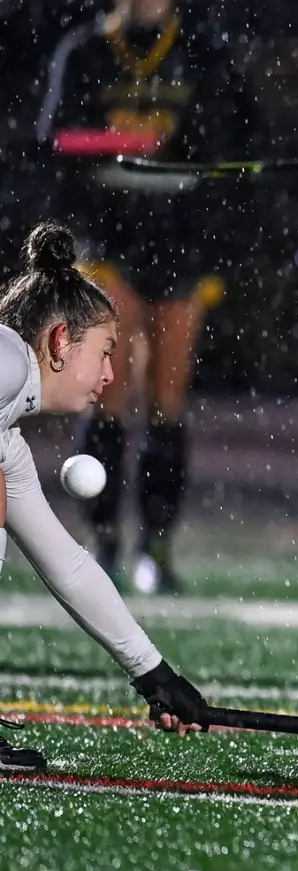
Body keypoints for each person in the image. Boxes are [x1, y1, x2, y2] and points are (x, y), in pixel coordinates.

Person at [35, 0, 260, 594]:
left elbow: (235, 150)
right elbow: (54, 146)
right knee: (107, 389)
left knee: (166, 395)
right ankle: (102, 542)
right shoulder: (83, 54)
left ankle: (155, 551)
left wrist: (206, 180)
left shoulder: (205, 55)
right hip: (108, 240)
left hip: (182, 240)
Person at [0, 222, 212, 772]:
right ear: (59, 341)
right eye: (106, 351)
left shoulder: (6, 433)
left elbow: (67, 564)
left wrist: (153, 674)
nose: (112, 373)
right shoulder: (8, 365)